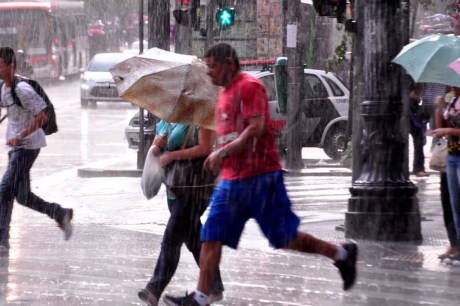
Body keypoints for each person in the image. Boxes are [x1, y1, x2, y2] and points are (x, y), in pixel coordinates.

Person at [163, 43, 358, 306]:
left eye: (212, 66)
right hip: (231, 181)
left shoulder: (249, 87)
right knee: (210, 233)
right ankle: (201, 296)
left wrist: (223, 152)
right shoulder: (223, 96)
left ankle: (340, 253)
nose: (208, 72)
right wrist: (220, 161)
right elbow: (229, 136)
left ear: (228, 64)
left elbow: (256, 128)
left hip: (261, 178)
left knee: (284, 238)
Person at [138, 119, 224, 306]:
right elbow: (156, 153)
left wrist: (173, 155)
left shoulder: (200, 117)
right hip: (174, 188)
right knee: (194, 239)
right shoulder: (165, 122)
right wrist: (156, 145)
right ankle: (215, 285)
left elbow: (205, 148)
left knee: (171, 238)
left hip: (195, 187)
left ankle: (154, 288)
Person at [0, 47, 73, 253]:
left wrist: (21, 136)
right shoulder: (2, 88)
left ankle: (2, 239)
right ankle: (60, 213)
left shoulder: (23, 89)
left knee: (5, 189)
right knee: (22, 196)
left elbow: (43, 117)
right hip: (15, 147)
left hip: (28, 146)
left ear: (10, 65)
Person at [434, 86, 460, 261]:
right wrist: (438, 107)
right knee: (455, 203)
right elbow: (439, 129)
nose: (452, 86)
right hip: (451, 156)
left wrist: (450, 132)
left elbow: (447, 130)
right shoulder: (452, 100)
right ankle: (457, 244)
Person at [409, 83, 429, 177]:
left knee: (419, 142)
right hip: (410, 114)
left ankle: (418, 168)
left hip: (413, 113)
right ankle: (418, 168)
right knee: (418, 141)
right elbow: (415, 96)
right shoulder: (413, 80)